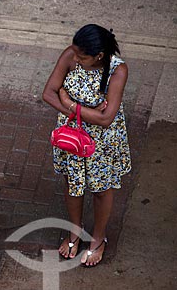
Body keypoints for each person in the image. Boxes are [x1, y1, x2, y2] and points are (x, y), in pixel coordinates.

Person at [42, 24, 132, 267]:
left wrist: (70, 104)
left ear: (98, 56)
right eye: (76, 53)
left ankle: (98, 238)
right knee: (73, 183)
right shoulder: (71, 55)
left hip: (102, 142)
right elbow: (48, 93)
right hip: (72, 137)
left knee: (101, 189)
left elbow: (106, 120)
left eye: (83, 56)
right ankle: (74, 230)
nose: (77, 59)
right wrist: (85, 113)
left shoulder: (117, 70)